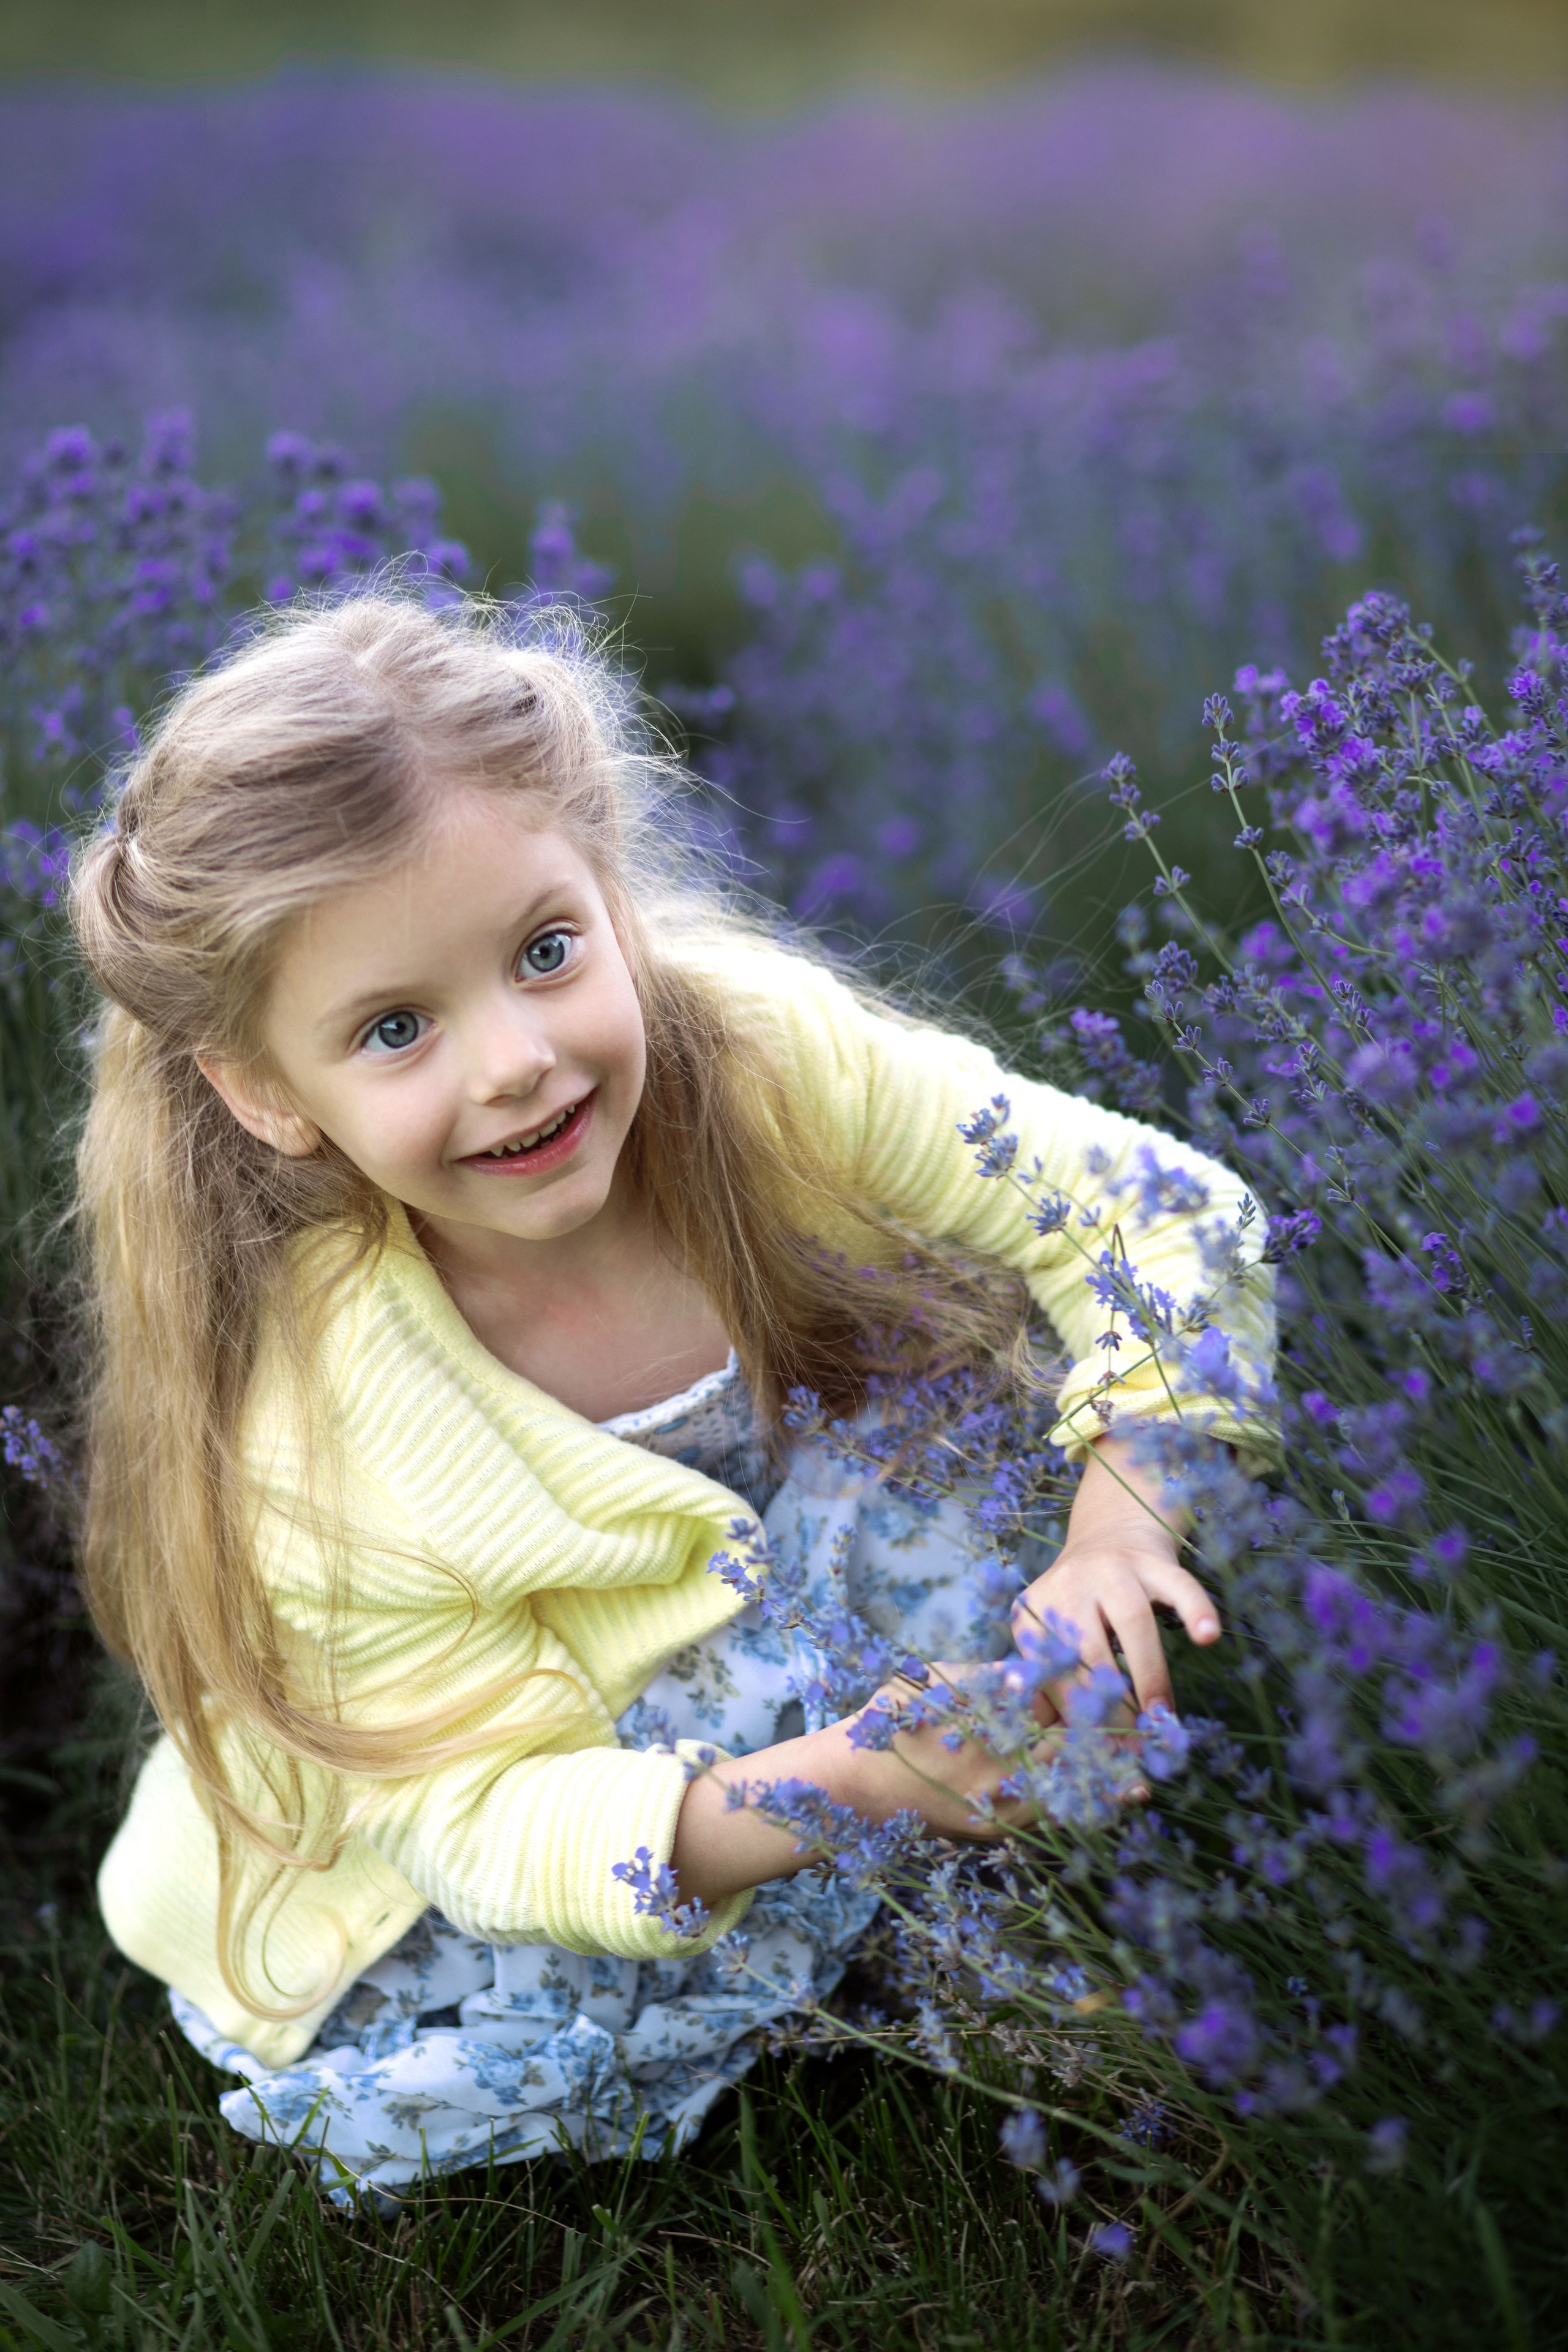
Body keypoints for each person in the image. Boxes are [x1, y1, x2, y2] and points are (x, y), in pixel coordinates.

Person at [72, 589, 1276, 2200]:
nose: (513, 1062)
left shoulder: (758, 1061)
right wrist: (838, 1788)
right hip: (453, 1863)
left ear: (615, 898)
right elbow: (484, 1818)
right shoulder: (329, 1413)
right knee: (895, 1565)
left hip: (737, 1665)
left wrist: (1124, 1532)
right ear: (266, 1093)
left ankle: (926, 1881)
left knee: (971, 1466)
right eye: (396, 1028)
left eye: (544, 951)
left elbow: (1156, 1216)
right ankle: (888, 1919)